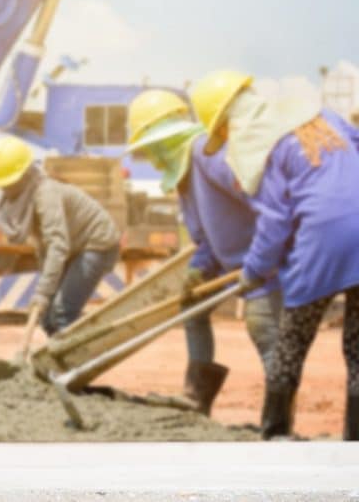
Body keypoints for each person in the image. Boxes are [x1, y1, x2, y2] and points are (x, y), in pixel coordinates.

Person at [192, 69, 359, 439]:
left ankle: (276, 433)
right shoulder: (327, 118)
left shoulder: (273, 146)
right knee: (358, 349)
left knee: (291, 341)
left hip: (323, 245)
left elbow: (274, 224)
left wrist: (253, 271)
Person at [126, 88, 283, 415]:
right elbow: (209, 239)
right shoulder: (183, 177)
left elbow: (266, 205)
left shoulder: (207, 154)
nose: (151, 159)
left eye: (151, 149)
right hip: (238, 267)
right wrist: (199, 269)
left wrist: (262, 262)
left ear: (165, 140)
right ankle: (197, 397)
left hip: (267, 266)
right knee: (192, 306)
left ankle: (279, 421)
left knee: (263, 328)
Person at [0, 136, 120, 337]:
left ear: (24, 175)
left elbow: (57, 245)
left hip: (97, 245)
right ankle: (58, 363)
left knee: (61, 314)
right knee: (47, 318)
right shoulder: (25, 200)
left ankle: (75, 366)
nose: (6, 189)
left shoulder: (45, 194)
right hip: (73, 247)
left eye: (10, 182)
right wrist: (45, 295)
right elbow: (44, 248)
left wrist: (42, 293)